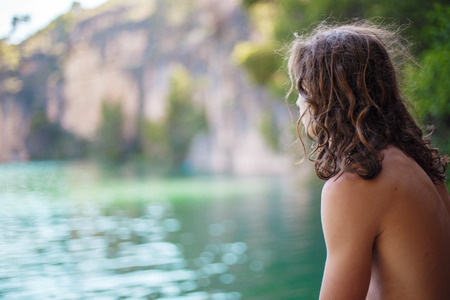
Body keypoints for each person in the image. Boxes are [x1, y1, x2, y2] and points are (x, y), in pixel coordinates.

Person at [287, 22, 450, 300]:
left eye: (303, 91)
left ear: (325, 99)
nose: (300, 104)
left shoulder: (353, 185)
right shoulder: (419, 164)